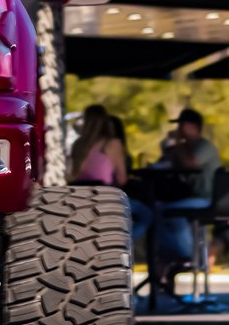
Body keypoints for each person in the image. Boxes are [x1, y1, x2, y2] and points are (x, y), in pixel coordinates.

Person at [69, 105, 151, 240]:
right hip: (105, 198)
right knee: (146, 215)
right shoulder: (112, 143)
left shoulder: (78, 145)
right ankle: (122, 244)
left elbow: (72, 174)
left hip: (79, 200)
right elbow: (122, 179)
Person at [154, 108, 221, 266]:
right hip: (186, 197)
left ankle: (190, 255)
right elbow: (165, 163)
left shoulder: (205, 146)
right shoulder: (183, 148)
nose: (178, 130)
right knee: (158, 211)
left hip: (203, 198)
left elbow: (191, 163)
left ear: (193, 126)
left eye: (182, 126)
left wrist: (178, 143)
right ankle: (176, 254)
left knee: (169, 213)